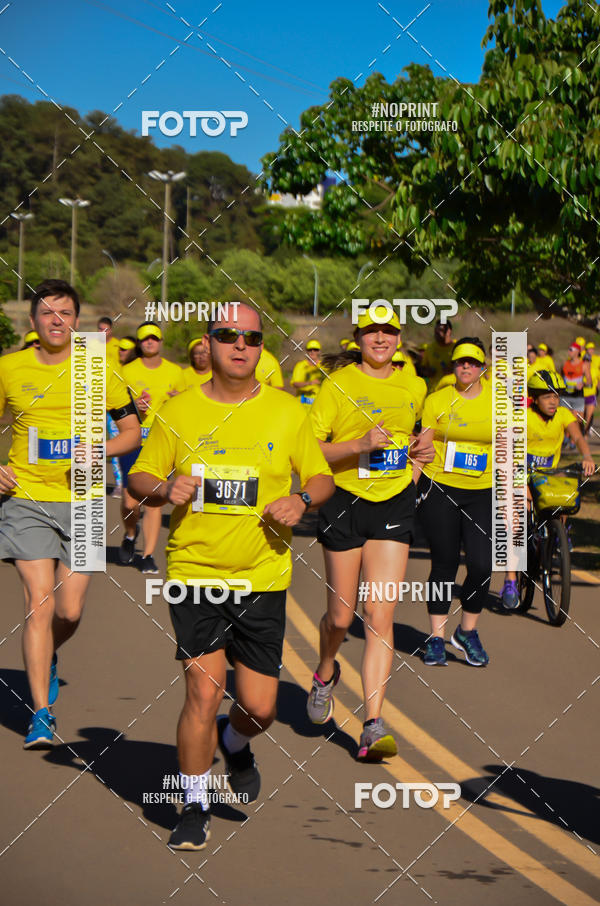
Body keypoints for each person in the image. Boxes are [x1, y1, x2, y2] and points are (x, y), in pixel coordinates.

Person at [127, 302, 333, 850]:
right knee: (203, 689)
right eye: (227, 335)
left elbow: (319, 474)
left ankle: (236, 745)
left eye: (251, 337)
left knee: (260, 707)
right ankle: (193, 804)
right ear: (209, 344)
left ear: (261, 347)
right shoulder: (180, 411)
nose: (240, 344)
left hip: (262, 575)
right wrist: (163, 488)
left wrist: (301, 498)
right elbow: (140, 474)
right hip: (195, 570)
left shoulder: (289, 412)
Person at [0, 279, 140, 748]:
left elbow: (131, 432)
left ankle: (48, 655)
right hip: (27, 498)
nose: (56, 320)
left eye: (64, 313)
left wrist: (99, 449)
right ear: (33, 321)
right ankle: (41, 712)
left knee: (70, 609)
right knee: (38, 602)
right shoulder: (9, 367)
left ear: (76, 322)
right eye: (46, 313)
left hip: (85, 496)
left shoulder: (98, 368)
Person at [306, 305, 430, 761]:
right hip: (344, 502)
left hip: (393, 507)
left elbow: (421, 439)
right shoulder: (337, 385)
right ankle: (324, 673)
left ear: (399, 338)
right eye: (372, 331)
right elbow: (310, 446)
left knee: (379, 614)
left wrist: (415, 471)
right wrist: (360, 445)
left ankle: (373, 724)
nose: (380, 338)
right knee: (340, 617)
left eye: (388, 331)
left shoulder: (414, 385)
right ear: (357, 338)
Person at [415, 337, 492, 668]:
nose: (466, 367)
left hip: (484, 491)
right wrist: (409, 489)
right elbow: (423, 445)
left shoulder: (498, 402)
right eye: (461, 362)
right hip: (441, 488)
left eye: (473, 363)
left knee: (482, 565)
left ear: (482, 367)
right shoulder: (437, 400)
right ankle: (435, 638)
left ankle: (467, 632)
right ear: (453, 365)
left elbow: (511, 450)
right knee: (444, 565)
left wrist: (519, 493)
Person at [501, 370, 595, 608]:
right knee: (518, 520)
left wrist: (587, 456)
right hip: (522, 471)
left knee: (564, 495)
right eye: (547, 396)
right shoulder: (521, 416)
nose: (553, 401)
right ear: (534, 398)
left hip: (548, 475)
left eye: (556, 395)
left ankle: (559, 537)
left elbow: (578, 436)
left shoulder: (563, 415)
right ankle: (511, 579)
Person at [119, 323, 186, 573]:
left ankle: (147, 555)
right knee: (130, 503)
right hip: (133, 440)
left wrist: (178, 399)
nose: (150, 342)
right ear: (139, 343)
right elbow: (113, 408)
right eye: (145, 339)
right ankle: (129, 534)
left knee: (154, 500)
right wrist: (133, 406)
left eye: (154, 339)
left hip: (162, 443)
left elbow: (187, 406)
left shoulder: (175, 371)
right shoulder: (126, 371)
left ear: (160, 342)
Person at [561, 342, 590, 431]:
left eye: (571, 350)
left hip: (578, 396)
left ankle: (573, 440)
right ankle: (568, 437)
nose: (569, 352)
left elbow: (589, 381)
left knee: (578, 419)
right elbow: (560, 378)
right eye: (568, 349)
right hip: (565, 395)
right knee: (566, 418)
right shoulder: (564, 364)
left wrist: (583, 384)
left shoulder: (584, 365)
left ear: (577, 351)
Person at [419, 319, 456, 389]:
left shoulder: (457, 348)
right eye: (435, 331)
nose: (437, 333)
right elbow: (423, 368)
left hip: (451, 391)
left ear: (448, 332)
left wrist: (452, 369)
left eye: (441, 330)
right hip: (433, 391)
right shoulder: (429, 348)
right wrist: (427, 372)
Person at [291, 340, 323, 405]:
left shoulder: (324, 367)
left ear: (319, 351)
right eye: (310, 350)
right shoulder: (300, 366)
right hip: (302, 403)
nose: (312, 352)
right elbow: (295, 383)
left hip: (318, 405)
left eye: (315, 349)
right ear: (306, 351)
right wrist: (310, 383)